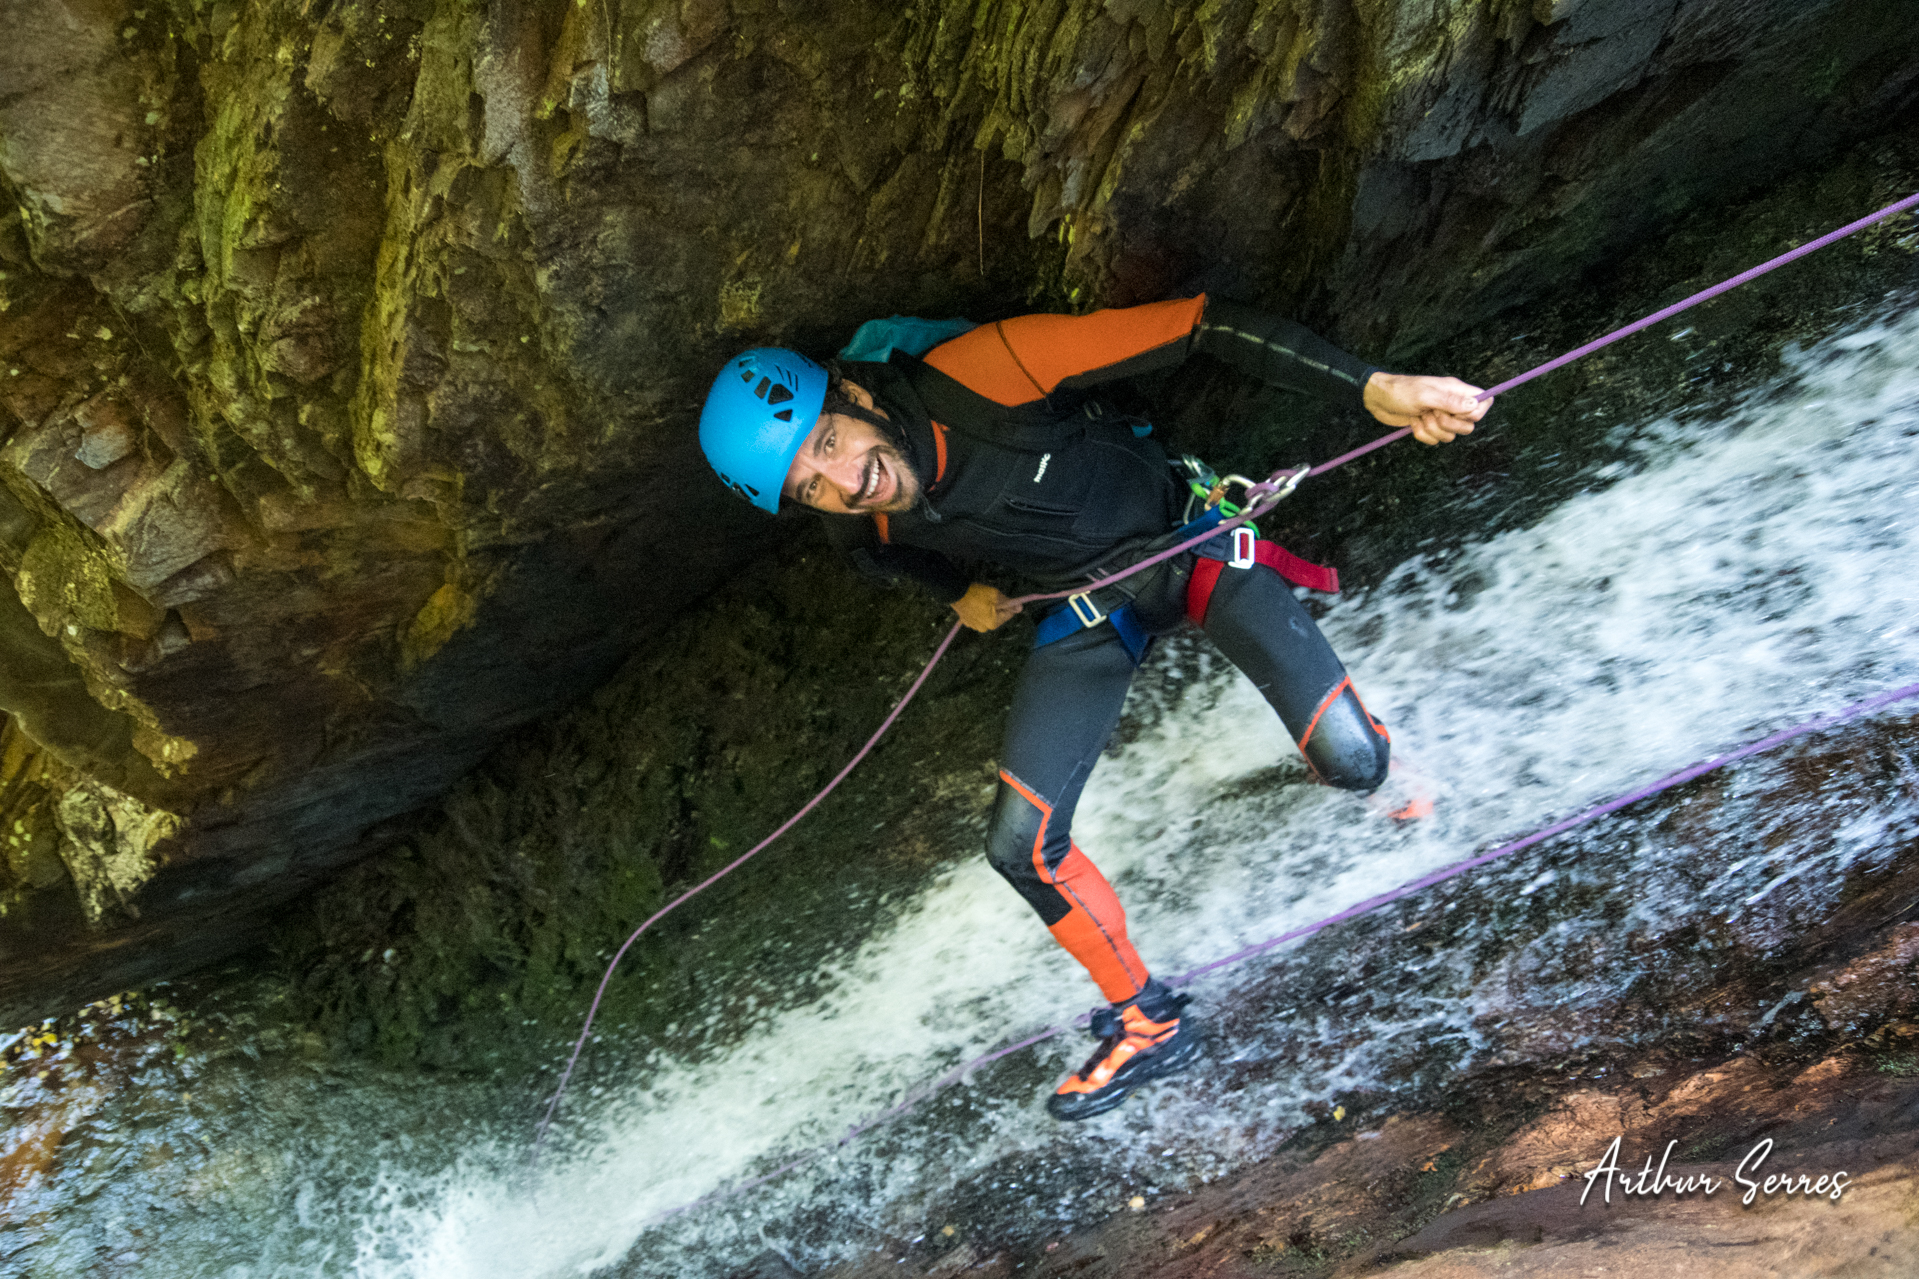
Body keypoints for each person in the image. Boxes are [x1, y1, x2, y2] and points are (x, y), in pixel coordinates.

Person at [698, 295, 1488, 1119]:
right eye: (809, 487)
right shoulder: (857, 523)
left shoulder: (981, 376)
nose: (844, 483)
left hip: (1190, 543)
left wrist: (1373, 387)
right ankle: (1149, 1025)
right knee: (1019, 845)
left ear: (853, 396)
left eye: (828, 444)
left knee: (1354, 763)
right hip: (1084, 608)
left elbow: (1202, 323)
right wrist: (963, 592)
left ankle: (1367, 753)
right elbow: (882, 557)